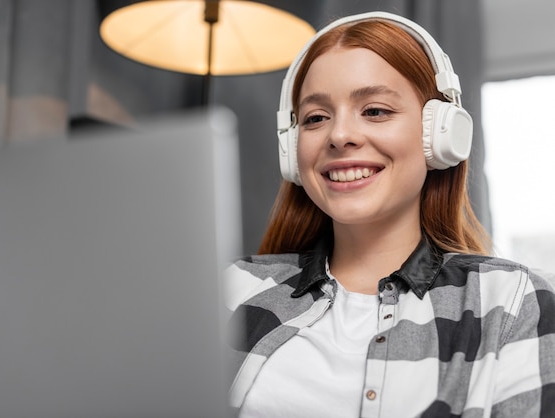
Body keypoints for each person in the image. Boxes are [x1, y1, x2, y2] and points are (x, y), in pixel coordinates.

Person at [223, 11, 555, 418]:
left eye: (375, 111)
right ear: (292, 151)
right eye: (315, 118)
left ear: (439, 134)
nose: (340, 135)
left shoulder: (513, 302)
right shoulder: (233, 289)